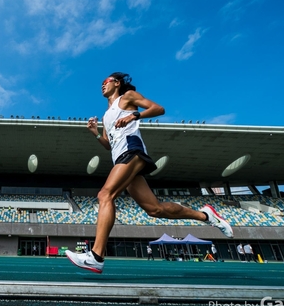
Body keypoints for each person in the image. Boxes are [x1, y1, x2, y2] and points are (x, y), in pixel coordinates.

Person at [65, 72, 233, 274]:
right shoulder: (106, 114)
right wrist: (95, 133)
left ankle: (96, 256)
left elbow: (158, 109)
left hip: (132, 151)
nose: (102, 85)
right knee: (155, 210)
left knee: (105, 195)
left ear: (117, 83)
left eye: (106, 82)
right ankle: (205, 215)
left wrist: (134, 115)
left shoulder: (126, 98)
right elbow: (108, 145)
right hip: (120, 157)